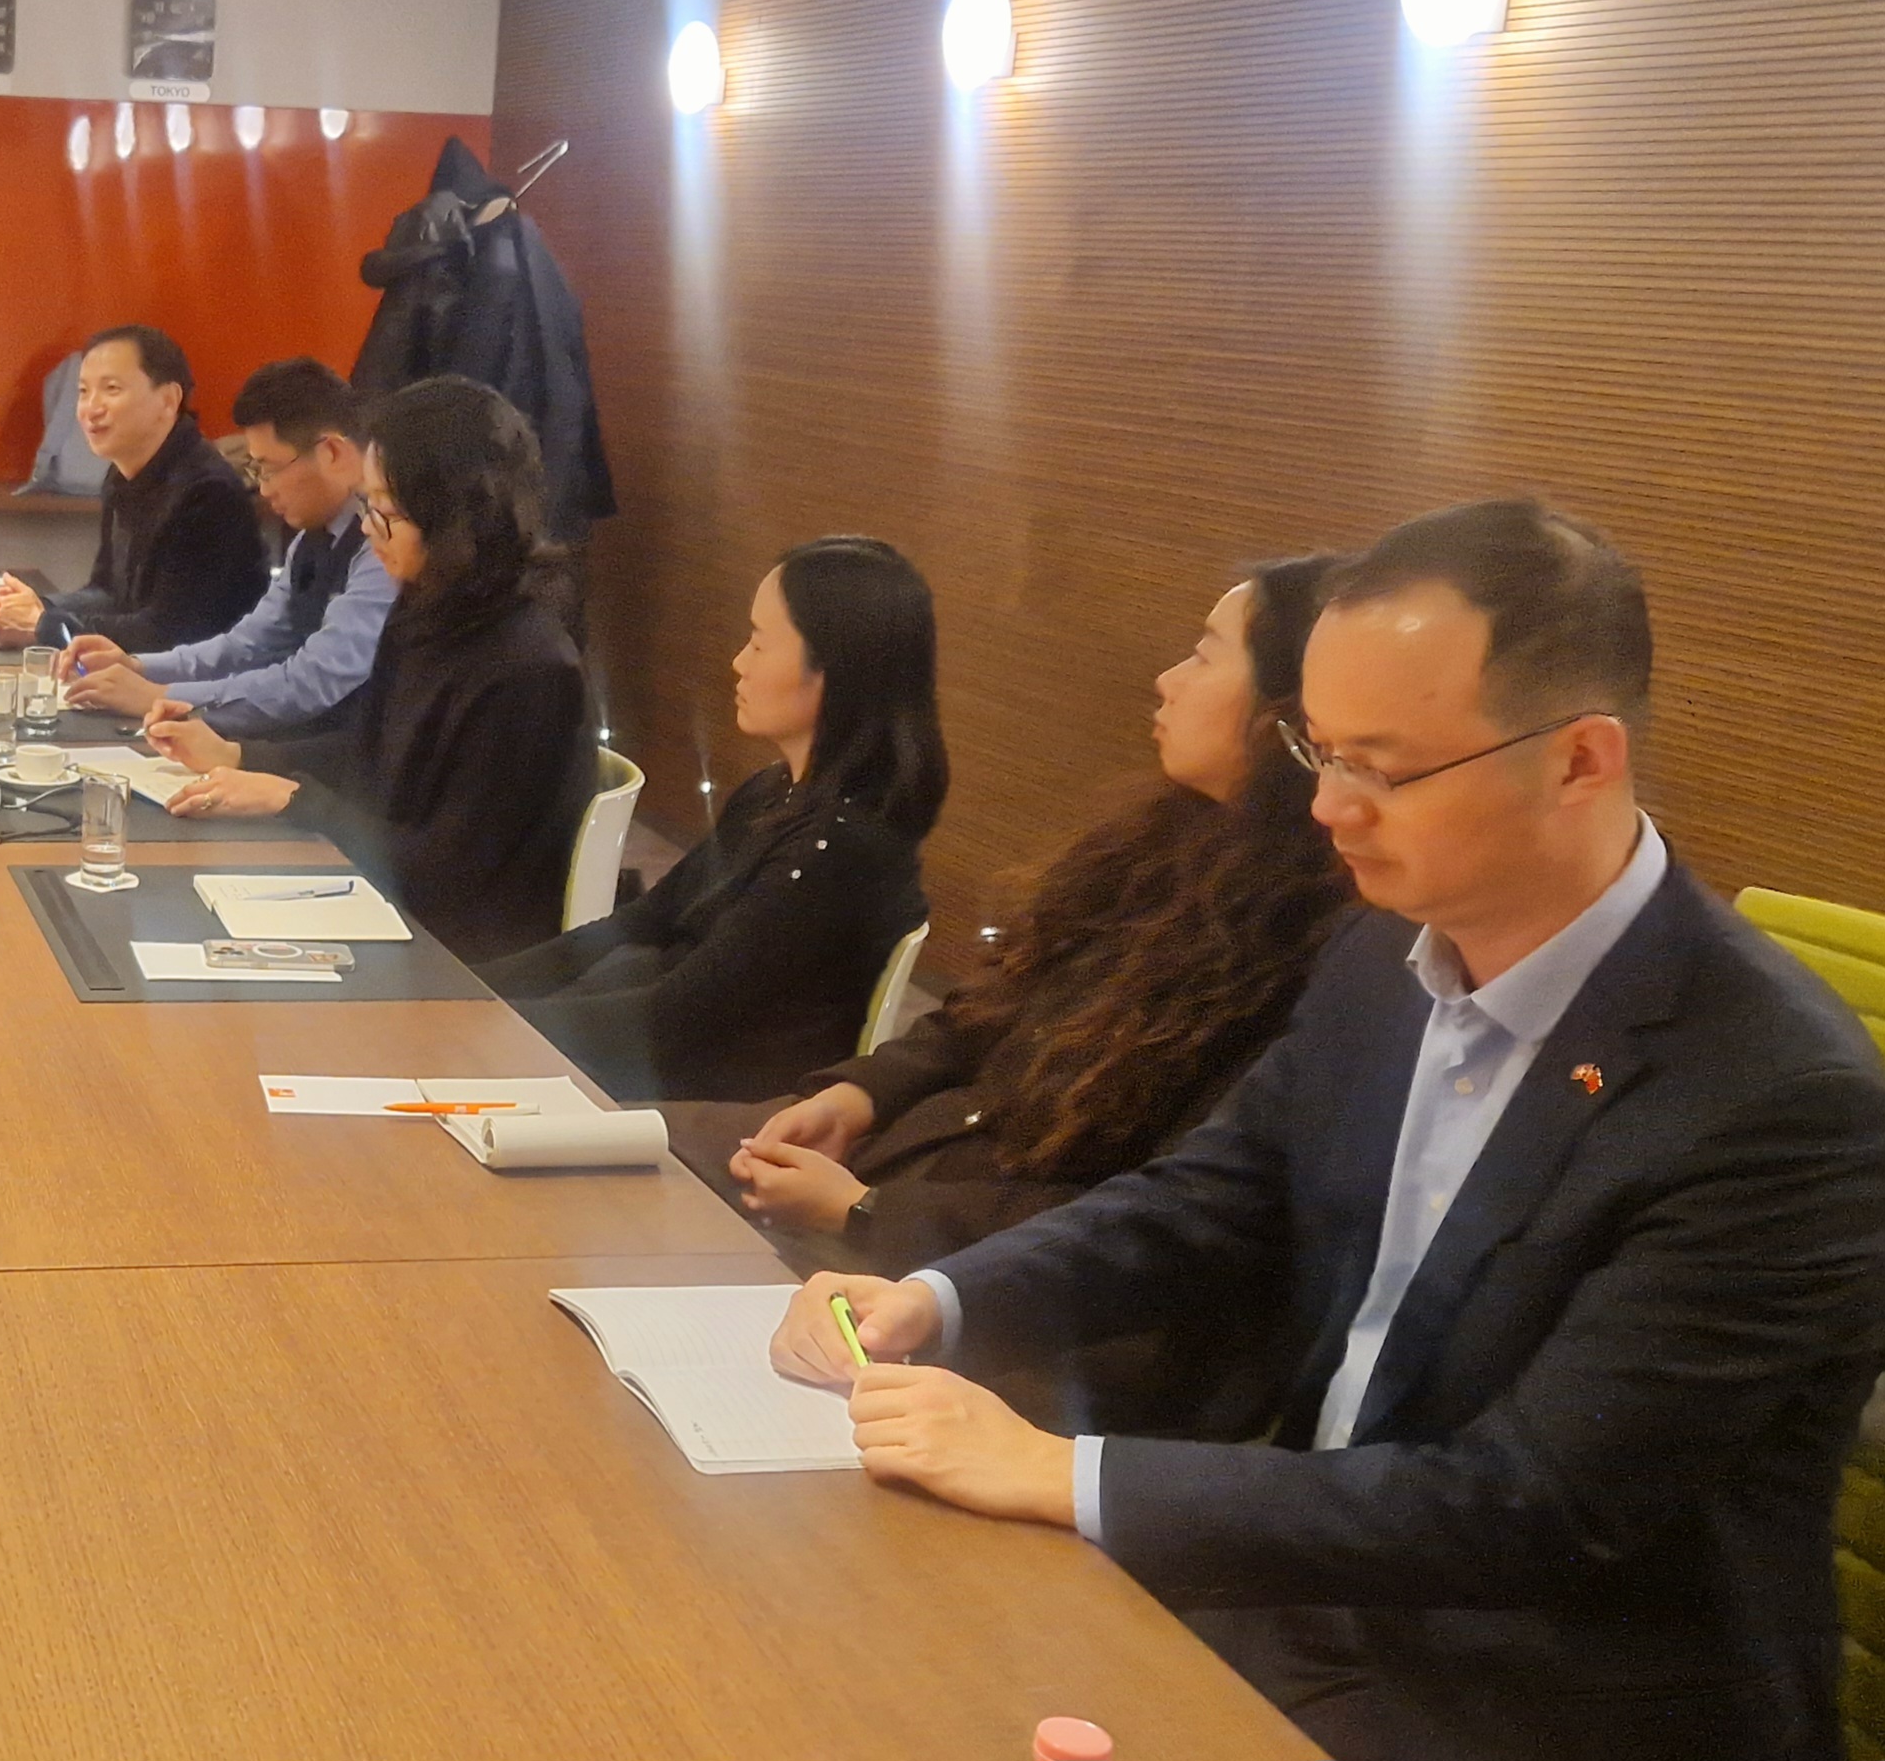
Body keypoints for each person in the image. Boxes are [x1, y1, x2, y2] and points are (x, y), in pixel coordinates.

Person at [769, 501, 1885, 1761]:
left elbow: (1534, 1504)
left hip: (1542, 1683)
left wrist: (1061, 1470)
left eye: (1384, 768)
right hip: (1318, 1588)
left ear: (1579, 759)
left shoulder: (1774, 1097)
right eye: (1320, 751)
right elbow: (1213, 1195)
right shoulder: (1378, 954)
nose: (1326, 809)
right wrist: (939, 1297)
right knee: (847, 1647)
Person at [708, 556, 1353, 1283]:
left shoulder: (1310, 953)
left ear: (1287, 718)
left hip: (964, 1259)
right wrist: (859, 1095)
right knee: (641, 1155)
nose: (1167, 680)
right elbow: (983, 1011)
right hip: (897, 1152)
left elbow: (1165, 1219)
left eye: (1204, 655)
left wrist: (866, 1212)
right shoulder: (1162, 845)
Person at [482, 536, 944, 1103]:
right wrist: (479, 989)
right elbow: (647, 919)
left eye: (759, 643)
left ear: (834, 668)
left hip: (708, 1112)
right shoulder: (775, 790)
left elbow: (673, 1019)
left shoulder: (839, 851)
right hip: (655, 1064)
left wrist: (489, 1023)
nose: (738, 663)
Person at [151, 376, 591, 962]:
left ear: (451, 517)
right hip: (385, 907)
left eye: (384, 510)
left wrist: (293, 799)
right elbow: (370, 752)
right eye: (368, 504)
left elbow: (445, 872)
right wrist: (238, 756)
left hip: (458, 960)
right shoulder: (427, 610)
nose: (365, 527)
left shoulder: (528, 670)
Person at [58, 357, 394, 739]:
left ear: (331, 452)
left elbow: (313, 681)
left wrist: (161, 696)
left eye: (269, 468)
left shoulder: (382, 544)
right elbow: (249, 645)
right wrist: (139, 667)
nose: (264, 489)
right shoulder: (312, 538)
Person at [0, 325, 266, 653]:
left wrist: (44, 624)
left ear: (168, 401)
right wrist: (35, 608)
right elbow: (108, 594)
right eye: (83, 391)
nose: (91, 408)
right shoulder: (122, 473)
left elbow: (167, 633)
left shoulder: (207, 494)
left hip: (205, 679)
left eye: (111, 389)